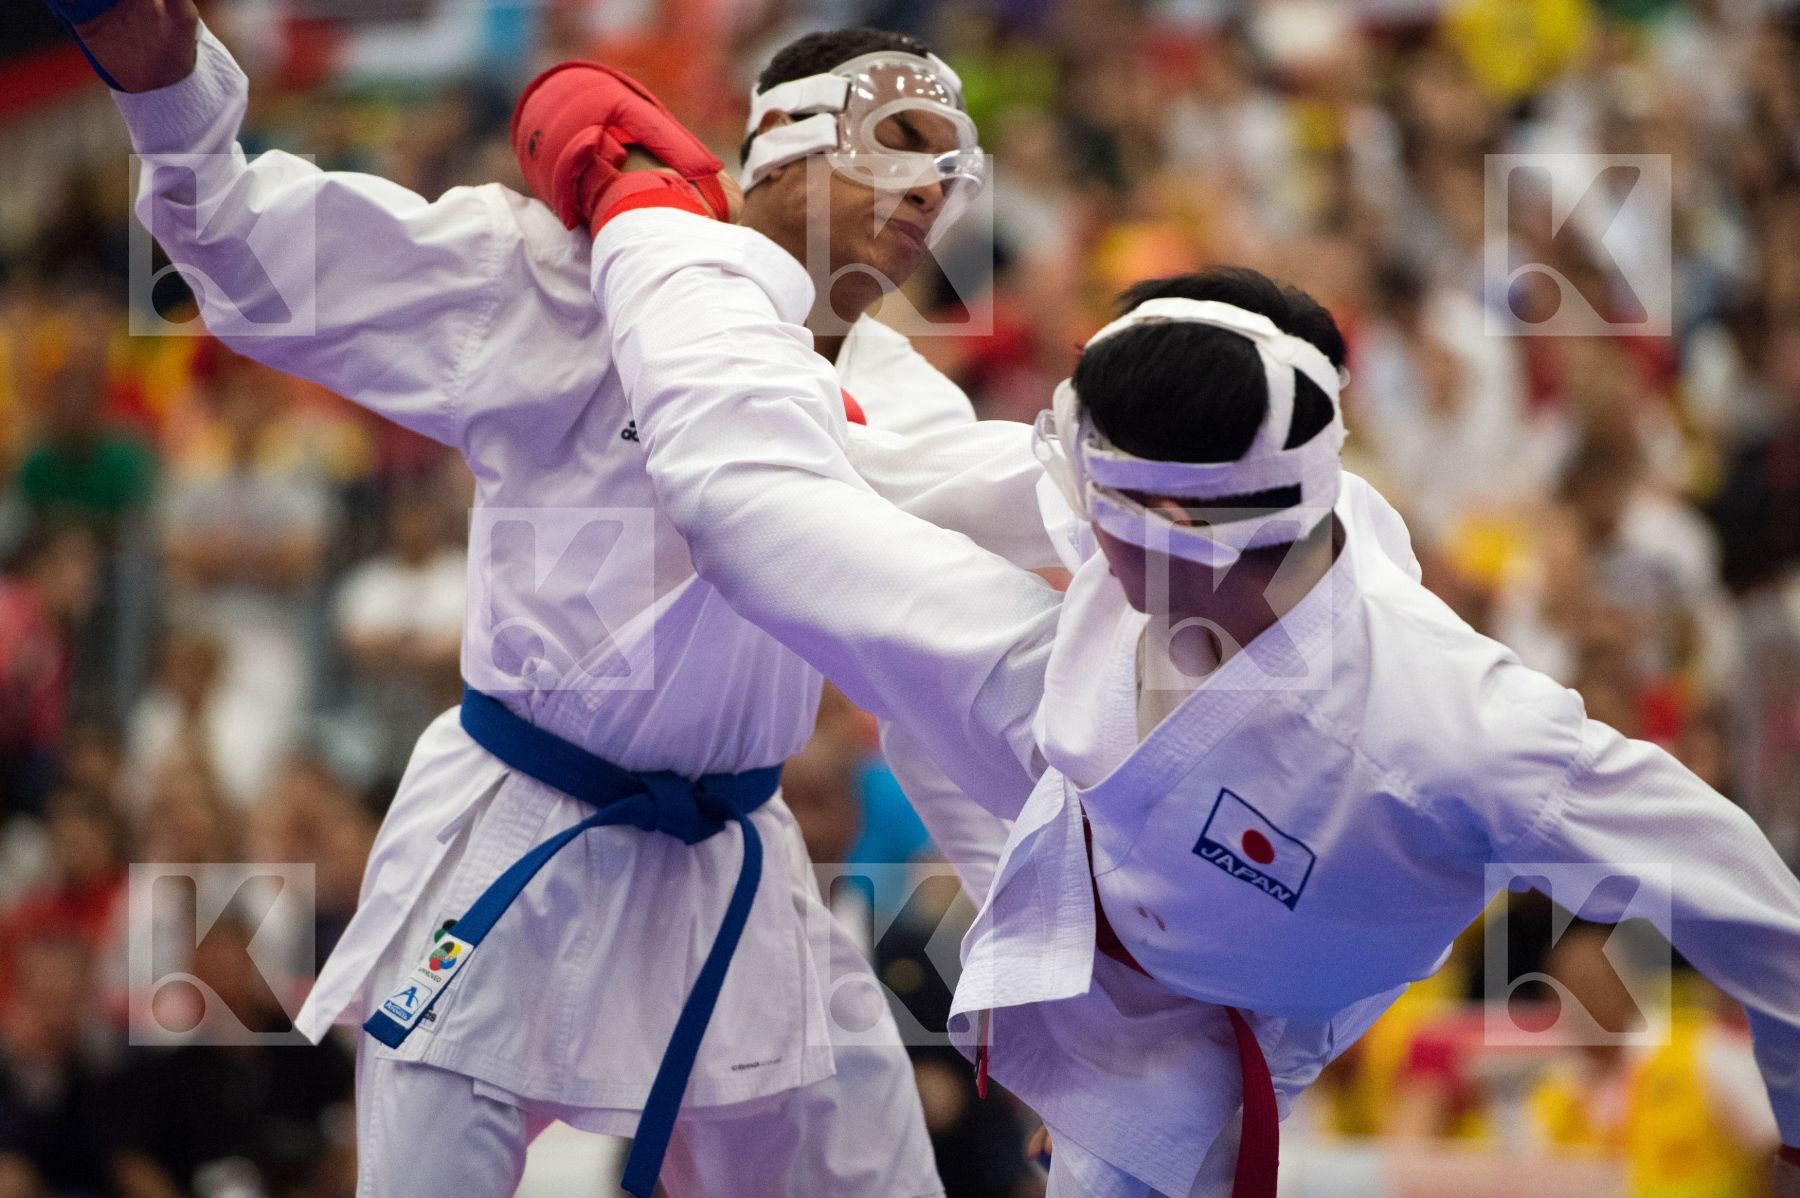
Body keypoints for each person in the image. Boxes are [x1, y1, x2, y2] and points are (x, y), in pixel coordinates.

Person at [575, 175, 1800, 1193]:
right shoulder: (1161, 500)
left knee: (781, 505)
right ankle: (672, 221)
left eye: (1103, 507)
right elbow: (911, 470)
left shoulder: (1458, 731)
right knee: (776, 505)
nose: (1077, 515)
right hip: (1056, 751)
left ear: (1174, 525)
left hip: (1235, 996)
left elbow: (1762, 918)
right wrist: (676, 219)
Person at [56, 1, 1041, 1194]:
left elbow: (958, 683)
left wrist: (1065, 1036)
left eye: (951, 171)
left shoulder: (909, 404)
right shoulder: (551, 280)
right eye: (900, 142)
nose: (929, 189)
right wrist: (168, 103)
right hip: (516, 834)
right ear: (781, 142)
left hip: (735, 863)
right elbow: (243, 242)